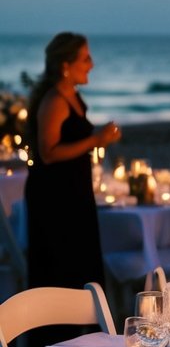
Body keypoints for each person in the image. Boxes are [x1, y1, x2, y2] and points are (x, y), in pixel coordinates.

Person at [25, 32, 120, 289]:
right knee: (61, 268)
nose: (92, 64)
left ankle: (83, 327)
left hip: (75, 192)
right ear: (66, 65)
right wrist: (96, 140)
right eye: (86, 58)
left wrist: (100, 137)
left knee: (81, 265)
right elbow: (49, 152)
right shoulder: (55, 100)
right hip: (54, 197)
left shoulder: (73, 96)